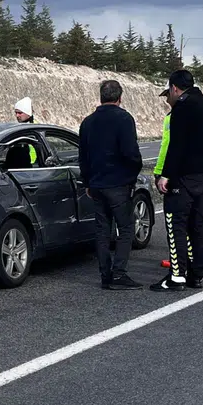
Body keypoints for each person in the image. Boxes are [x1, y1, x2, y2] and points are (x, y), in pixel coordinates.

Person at [150, 69, 203, 292]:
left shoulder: (182, 107)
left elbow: (176, 145)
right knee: (199, 224)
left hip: (184, 177)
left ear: (174, 88)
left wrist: (166, 175)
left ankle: (177, 276)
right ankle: (196, 274)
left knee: (176, 224)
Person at [79, 80, 144, 290]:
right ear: (119, 97)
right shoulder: (124, 119)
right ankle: (119, 273)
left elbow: (83, 157)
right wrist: (133, 173)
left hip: (96, 184)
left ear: (101, 97)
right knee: (125, 227)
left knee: (102, 229)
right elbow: (130, 152)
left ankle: (105, 274)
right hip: (118, 183)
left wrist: (87, 181)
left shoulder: (87, 122)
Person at [153, 80, 195, 272]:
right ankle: (187, 260)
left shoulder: (173, 118)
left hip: (170, 172)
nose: (167, 101)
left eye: (168, 96)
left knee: (175, 221)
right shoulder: (181, 115)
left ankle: (179, 263)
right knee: (185, 221)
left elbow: (168, 147)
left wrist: (161, 172)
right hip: (185, 173)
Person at [14, 97, 38, 164]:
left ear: (28, 113)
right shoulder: (16, 128)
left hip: (34, 165)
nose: (17, 115)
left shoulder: (35, 128)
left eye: (20, 113)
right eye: (16, 113)